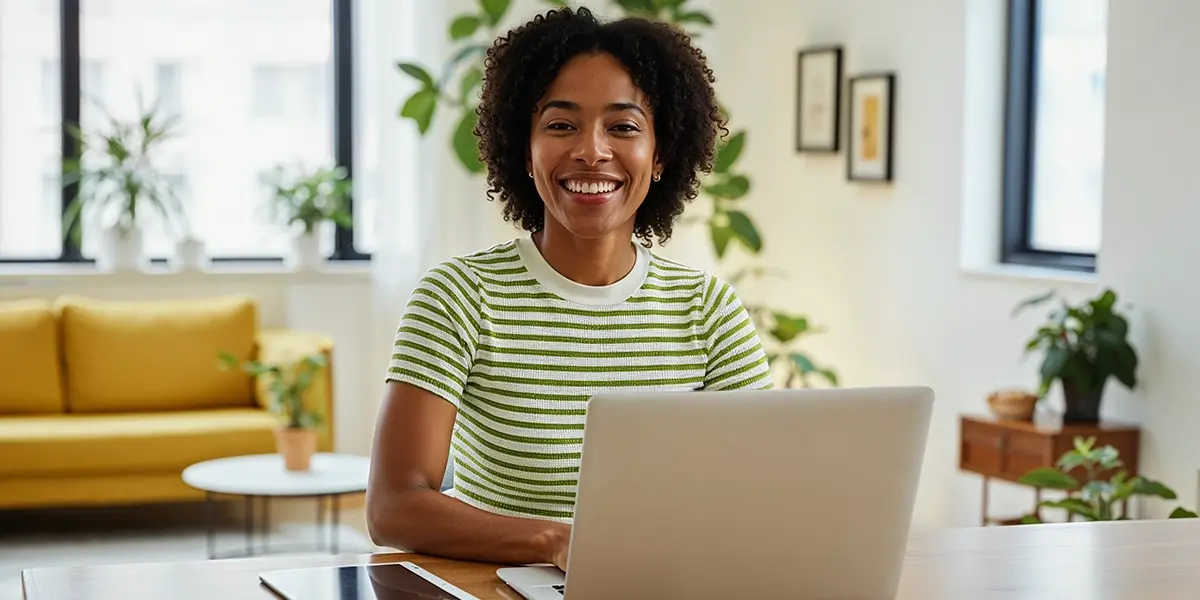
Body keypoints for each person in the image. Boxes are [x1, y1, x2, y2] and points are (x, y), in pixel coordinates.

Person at [366, 6, 773, 573]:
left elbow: (764, 490)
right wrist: (558, 542)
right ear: (525, 149)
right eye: (561, 125)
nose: (591, 150)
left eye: (623, 127)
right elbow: (393, 508)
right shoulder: (459, 296)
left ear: (660, 155)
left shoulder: (708, 311)